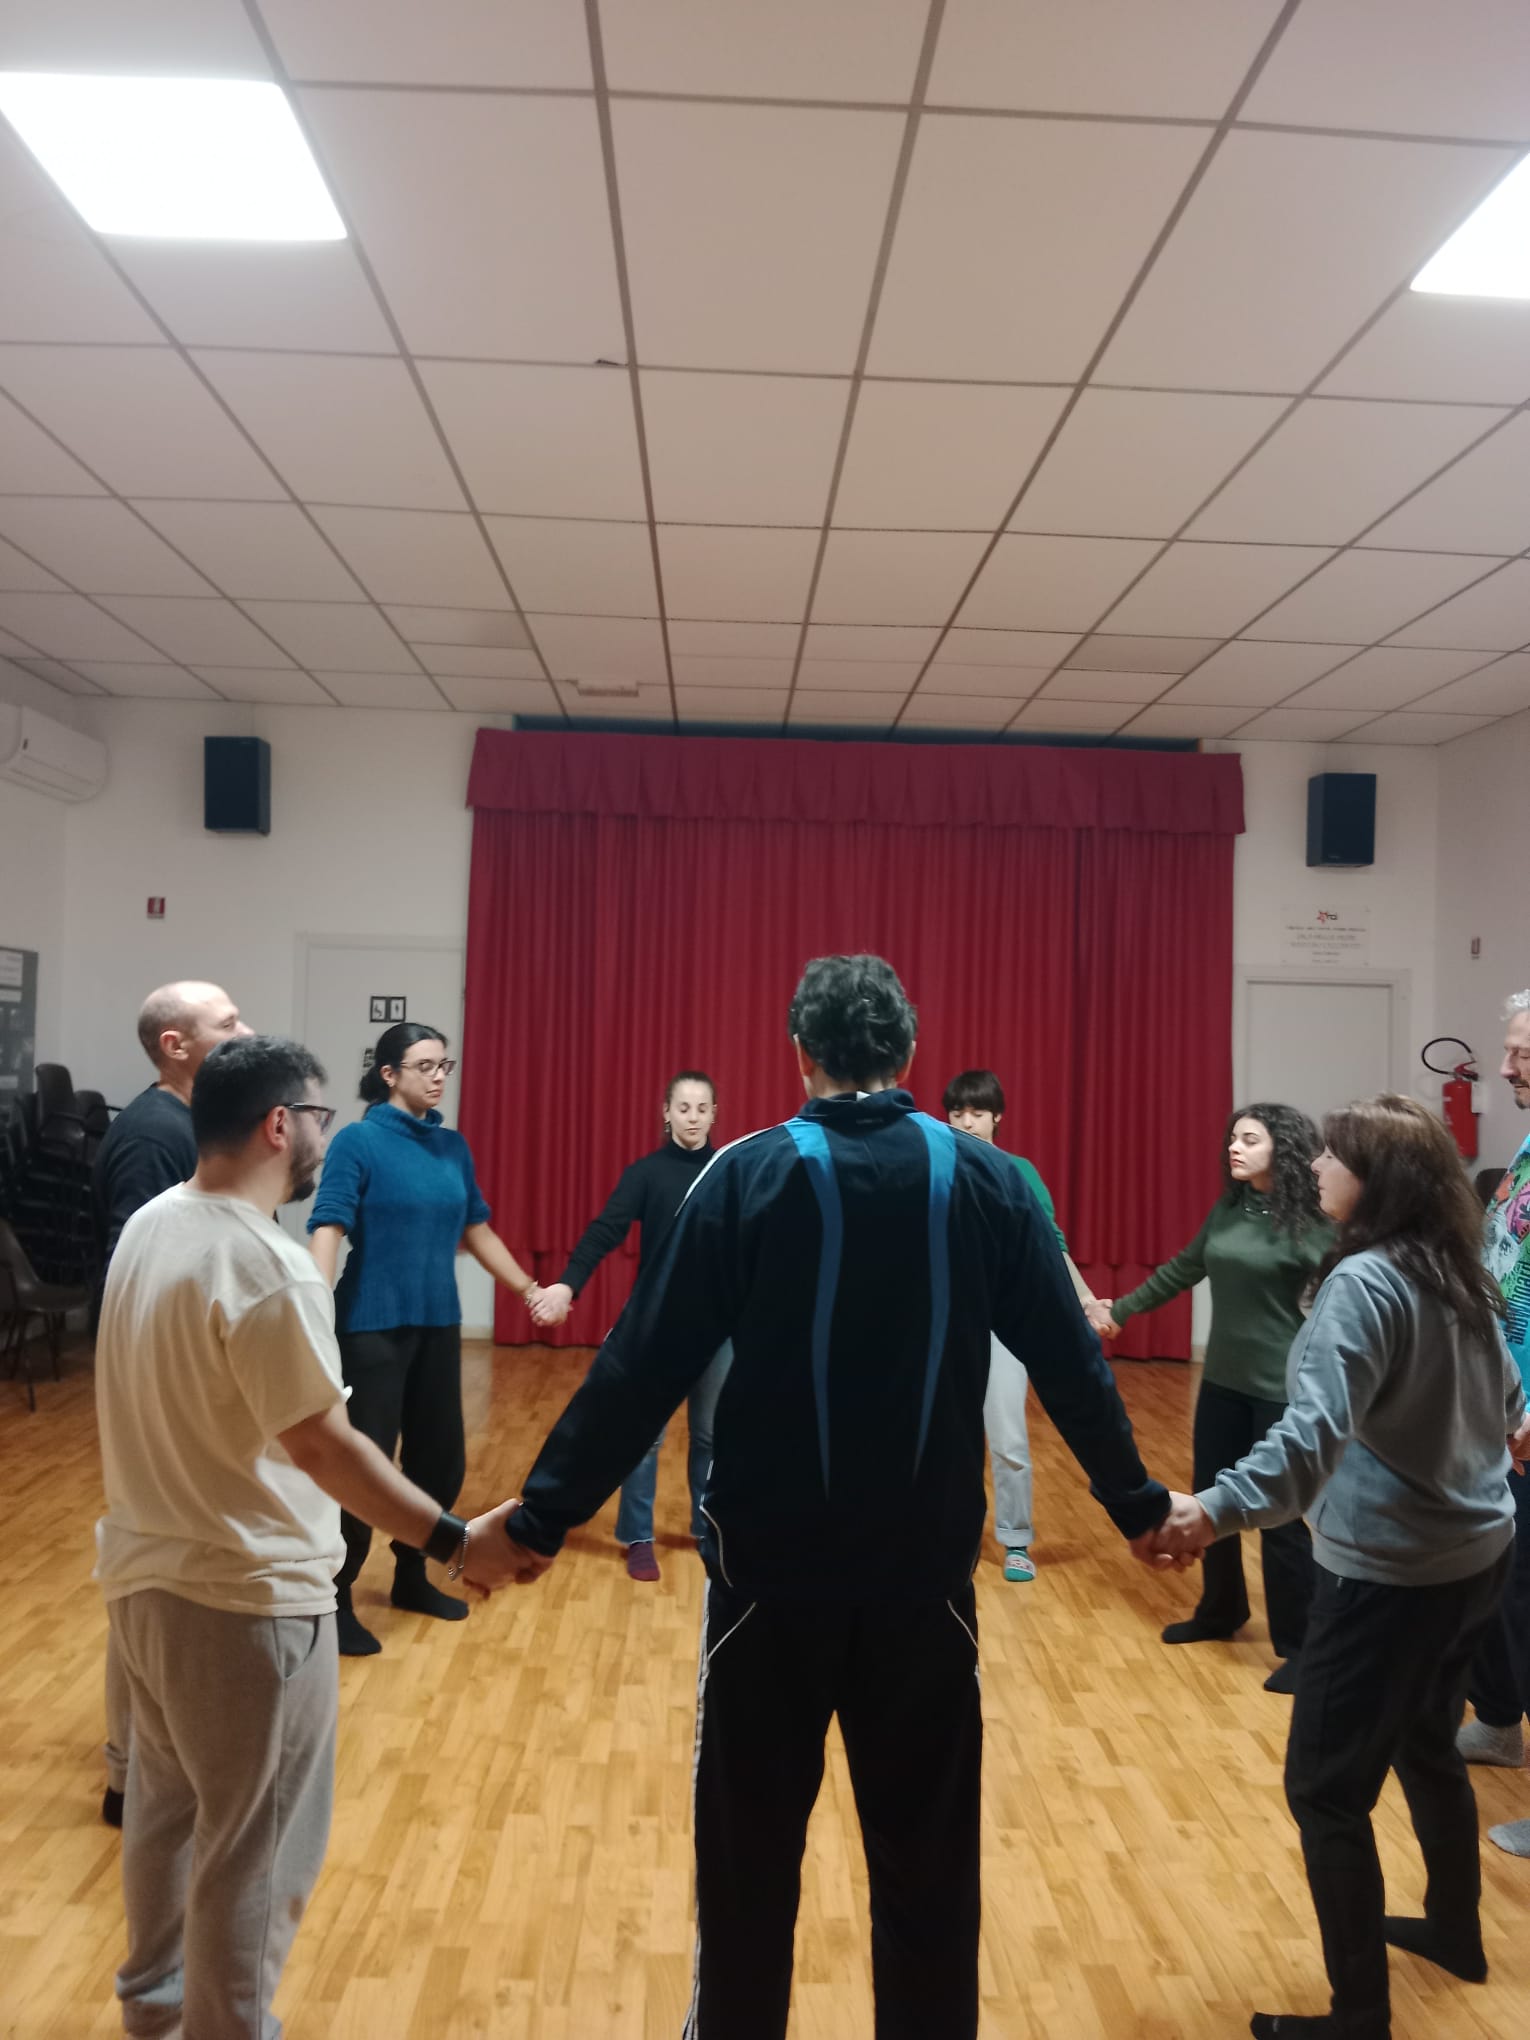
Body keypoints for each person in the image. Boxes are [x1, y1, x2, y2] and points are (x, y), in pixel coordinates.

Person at [464, 955, 1173, 2040]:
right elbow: (1072, 1363)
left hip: (765, 1588)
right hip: (924, 1589)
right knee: (929, 1876)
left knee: (747, 1876)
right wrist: (1135, 1507)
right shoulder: (989, 1182)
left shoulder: (745, 1176)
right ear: (910, 1056)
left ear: (799, 1055)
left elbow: (642, 1364)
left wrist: (539, 1518)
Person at [95, 1034, 516, 2039]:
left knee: (165, 1814)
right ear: (282, 1125)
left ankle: (153, 2011)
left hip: (143, 1587)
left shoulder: (152, 1227)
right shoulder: (268, 1266)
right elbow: (330, 1453)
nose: (326, 1134)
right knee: (257, 1845)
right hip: (247, 1606)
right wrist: (458, 1540)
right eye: (320, 1116)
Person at [1153, 1095, 1530, 2040]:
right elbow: (1512, 1401)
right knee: (1427, 1746)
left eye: (1333, 1157)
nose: (1315, 1167)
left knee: (1325, 1790)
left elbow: (1304, 1441)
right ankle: (1454, 1933)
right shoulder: (1462, 1269)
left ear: (1380, 1181)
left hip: (1390, 1575)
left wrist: (1210, 1511)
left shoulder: (1365, 1282)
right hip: (1478, 1555)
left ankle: (1359, 2015)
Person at [307, 1021, 542, 1656]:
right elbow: (328, 1225)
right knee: (365, 1468)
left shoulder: (452, 1147)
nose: (439, 1076)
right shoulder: (357, 1142)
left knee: (441, 1462)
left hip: (438, 1323)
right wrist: (311, 1309)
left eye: (445, 1065)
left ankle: (411, 1574)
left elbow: (477, 1229)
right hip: (369, 1328)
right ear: (389, 1075)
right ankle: (335, 1596)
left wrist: (528, 1289)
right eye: (425, 1065)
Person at [1089, 1104, 1331, 1691]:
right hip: (1222, 1380)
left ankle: (1299, 1646)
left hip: (1282, 1388)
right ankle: (1222, 1610)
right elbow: (1182, 1268)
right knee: (1213, 1496)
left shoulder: (1316, 1220)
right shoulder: (1230, 1208)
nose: (1235, 1147)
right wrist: (1118, 1310)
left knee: (1280, 1515)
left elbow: (1340, 1298)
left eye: (1251, 1138)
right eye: (1233, 1138)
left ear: (1285, 1148)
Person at [91, 980, 253, 1828]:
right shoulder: (151, 1139)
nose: (246, 1031)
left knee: (159, 1578)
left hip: (179, 1391)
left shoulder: (182, 1126)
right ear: (177, 1046)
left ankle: (147, 1763)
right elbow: (142, 1271)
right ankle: (130, 1773)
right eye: (228, 1023)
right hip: (158, 1398)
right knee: (148, 1575)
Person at [528, 1071, 732, 1584]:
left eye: (701, 1108)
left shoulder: (731, 1170)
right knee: (645, 1437)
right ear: (666, 1113)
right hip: (657, 1322)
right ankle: (638, 1536)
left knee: (712, 1436)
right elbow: (604, 1231)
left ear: (713, 1114)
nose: (691, 1117)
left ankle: (707, 1529)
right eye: (682, 1107)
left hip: (719, 1324)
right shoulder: (646, 1173)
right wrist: (567, 1286)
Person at [943, 1067, 1102, 1583]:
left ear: (997, 1118)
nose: (967, 1123)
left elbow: (1050, 1242)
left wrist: (1084, 1299)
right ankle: (952, 1536)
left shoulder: (1018, 1172)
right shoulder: (934, 1166)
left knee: (1007, 1438)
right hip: (948, 1323)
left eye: (978, 1113)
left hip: (1002, 1326)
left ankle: (1015, 1540)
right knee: (948, 1438)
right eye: (958, 1112)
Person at [1455, 989, 1530, 1859]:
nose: (1504, 1069)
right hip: (1505, 1414)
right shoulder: (1526, 1143)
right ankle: (1502, 1720)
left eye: (1521, 1054)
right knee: (1507, 1588)